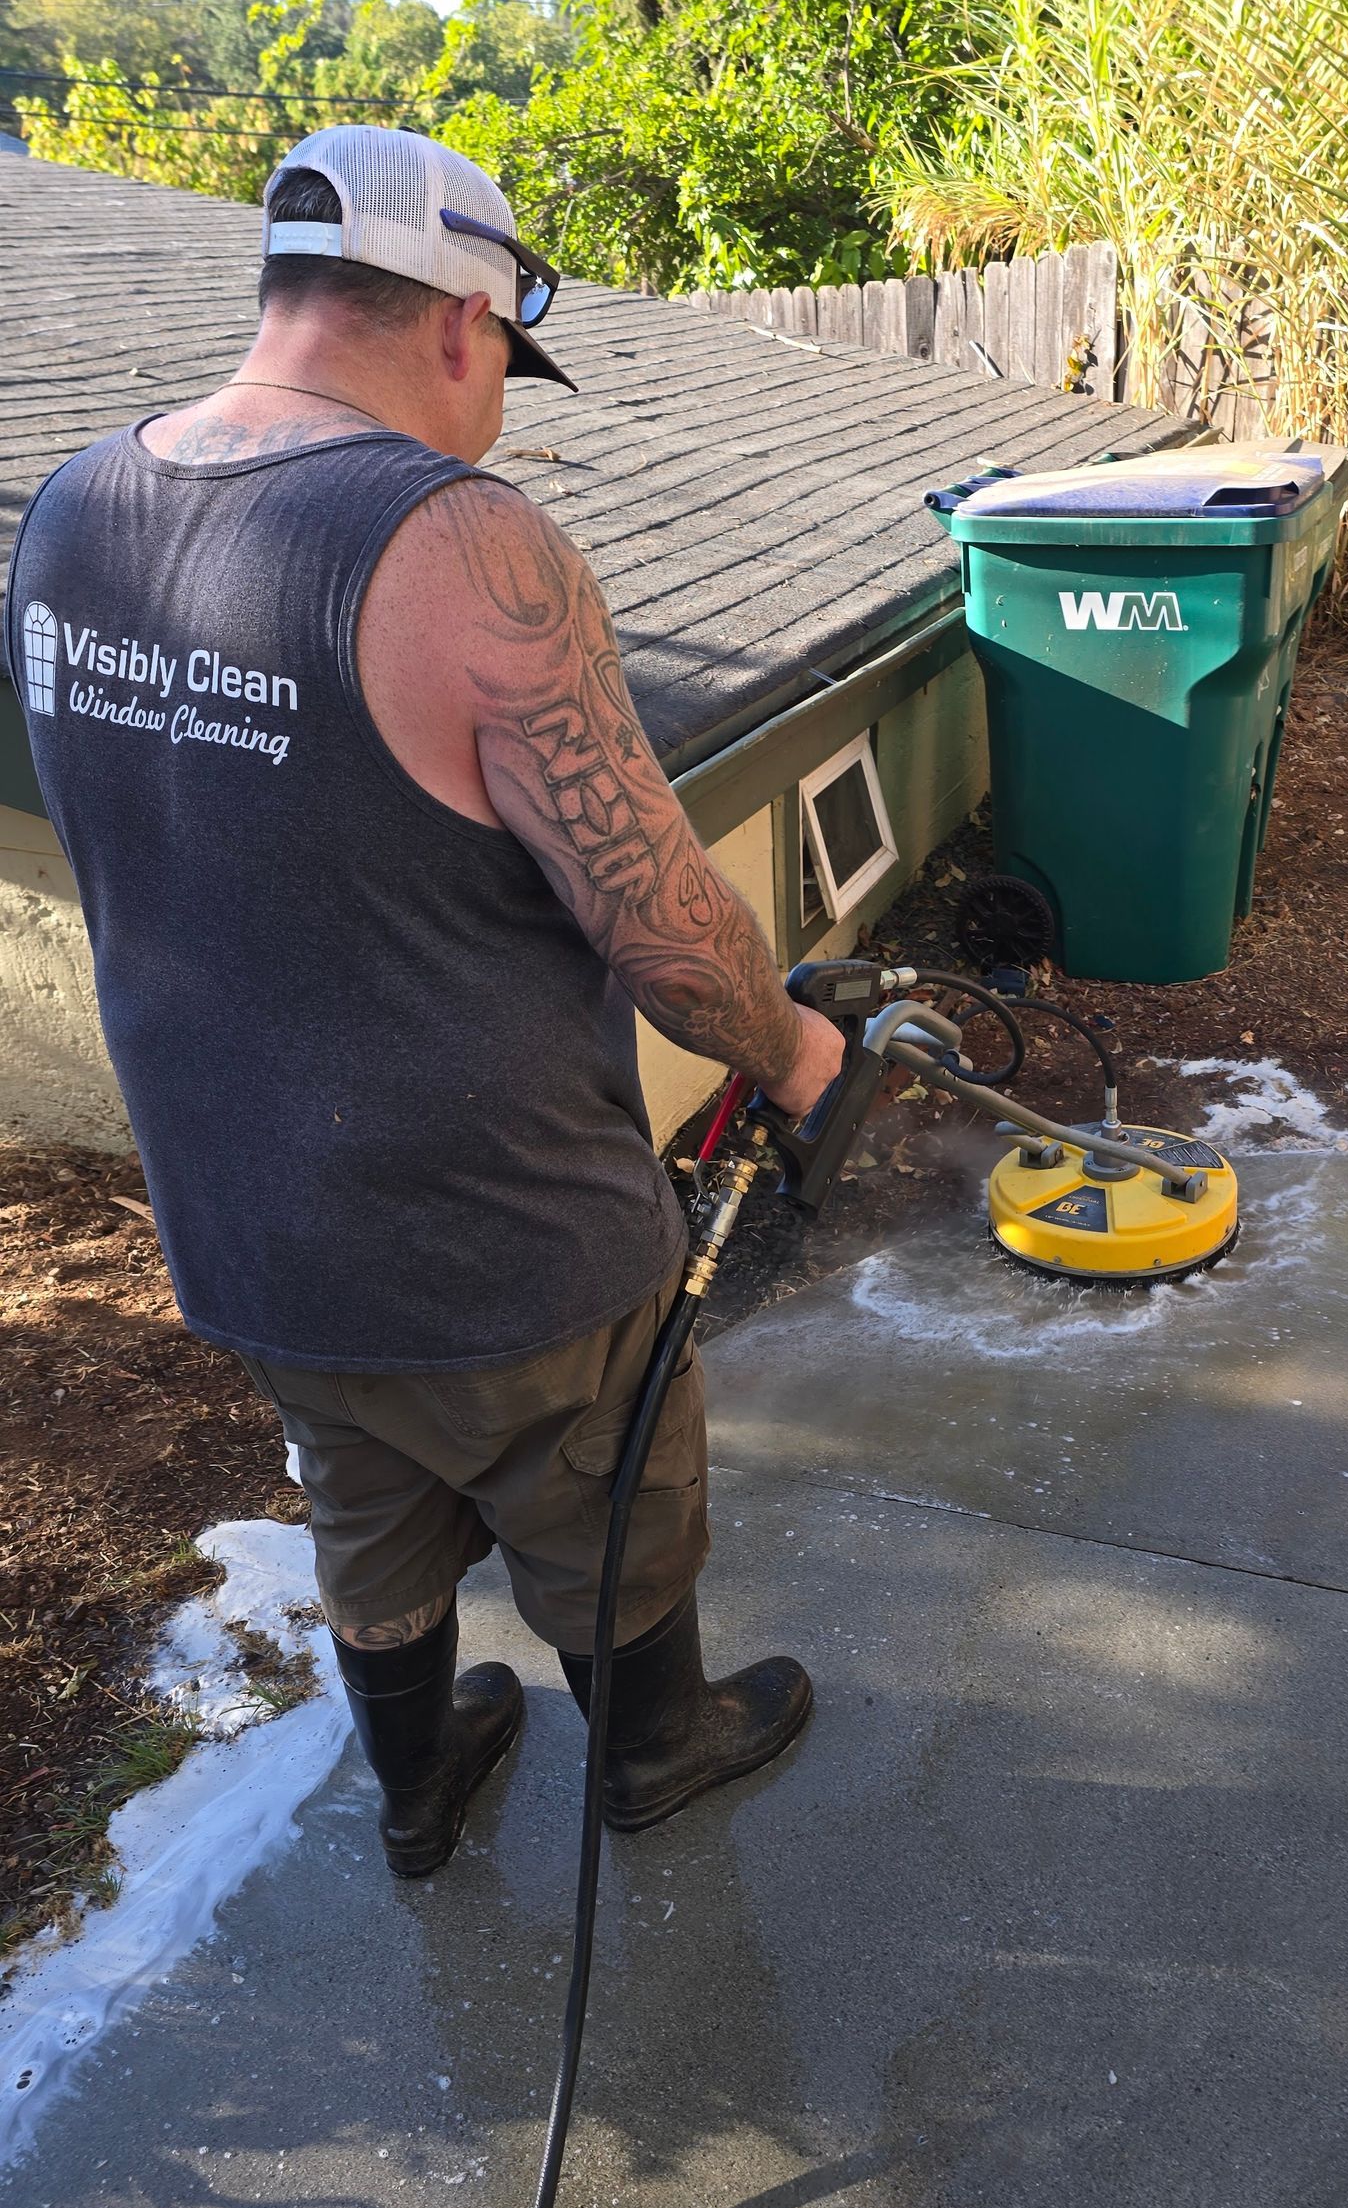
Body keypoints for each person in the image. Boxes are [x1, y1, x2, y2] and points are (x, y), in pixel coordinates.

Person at [5, 126, 845, 1878]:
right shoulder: (462, 548)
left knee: (360, 1497)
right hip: (498, 1230)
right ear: (463, 321)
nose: (497, 413)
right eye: (503, 370)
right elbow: (670, 934)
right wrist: (800, 1050)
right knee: (607, 1492)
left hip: (244, 1220)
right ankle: (657, 1751)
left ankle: (416, 1787)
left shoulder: (75, 508)